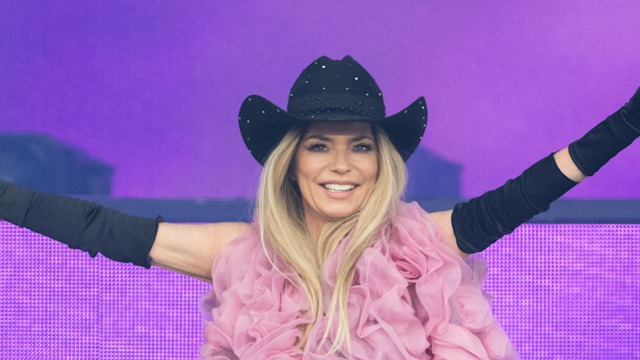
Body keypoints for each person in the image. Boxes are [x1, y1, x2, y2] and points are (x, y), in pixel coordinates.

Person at [0, 55, 638, 359]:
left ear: (380, 161)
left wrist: (631, 120)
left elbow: (532, 191)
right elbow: (93, 227)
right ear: (292, 161)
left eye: (360, 145)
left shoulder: (423, 245)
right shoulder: (239, 255)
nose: (341, 164)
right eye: (319, 146)